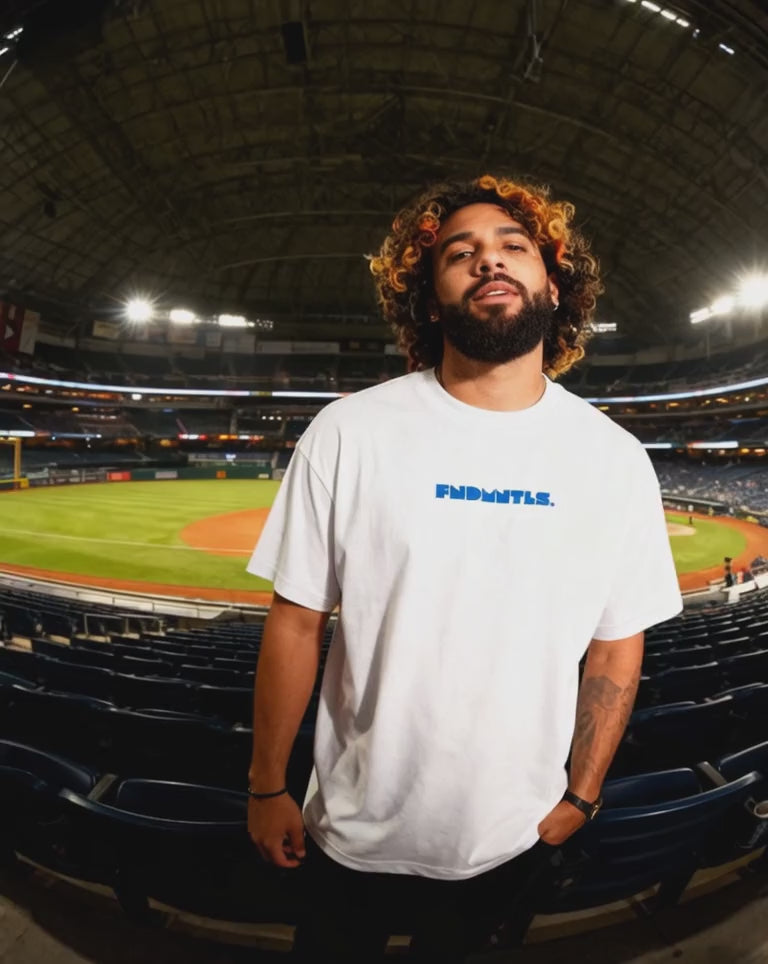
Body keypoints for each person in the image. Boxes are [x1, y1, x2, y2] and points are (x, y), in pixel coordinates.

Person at [246, 173, 683, 962]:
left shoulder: (615, 459)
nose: (489, 260)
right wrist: (267, 784)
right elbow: (297, 620)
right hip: (348, 829)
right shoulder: (348, 432)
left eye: (514, 246)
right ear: (428, 297)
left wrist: (583, 794)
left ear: (555, 285)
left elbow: (617, 644)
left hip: (512, 837)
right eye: (460, 253)